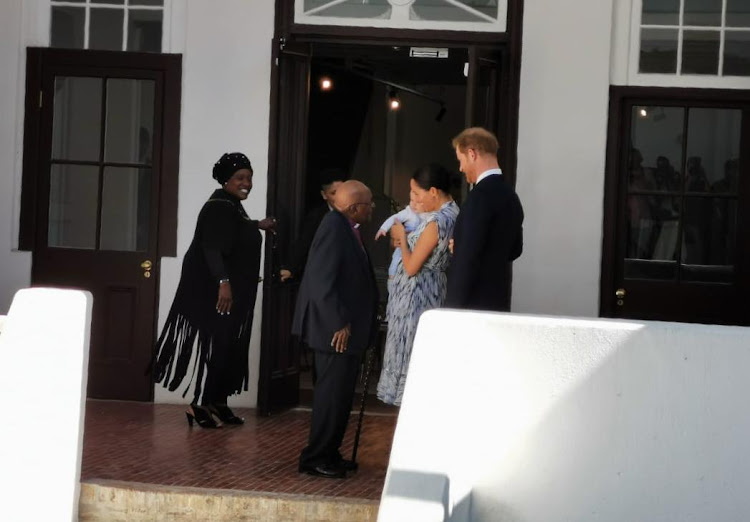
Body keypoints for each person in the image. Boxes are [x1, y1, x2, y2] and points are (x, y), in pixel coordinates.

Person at [152, 152, 276, 428]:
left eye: (249, 177)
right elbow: (212, 247)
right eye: (240, 177)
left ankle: (217, 402)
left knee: (227, 347)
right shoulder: (219, 206)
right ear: (226, 181)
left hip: (231, 292)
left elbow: (235, 229)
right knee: (218, 347)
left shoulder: (231, 206)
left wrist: (258, 225)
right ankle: (199, 404)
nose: (247, 182)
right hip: (217, 294)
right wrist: (224, 283)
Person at [293, 180, 379, 479]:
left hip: (345, 331)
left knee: (340, 398)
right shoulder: (334, 227)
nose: (373, 208)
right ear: (355, 208)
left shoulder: (346, 227)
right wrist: (338, 322)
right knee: (331, 398)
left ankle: (329, 452)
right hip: (335, 334)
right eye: (369, 203)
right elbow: (320, 281)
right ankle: (315, 457)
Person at [377, 164, 459, 406]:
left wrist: (401, 238)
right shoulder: (452, 213)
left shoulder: (438, 221)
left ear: (433, 191)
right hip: (424, 290)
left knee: (410, 355)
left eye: (417, 193)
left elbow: (412, 267)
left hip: (417, 296)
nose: (414, 199)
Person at [444, 127, 524, 312]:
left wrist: (452, 309)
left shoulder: (479, 197)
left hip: (471, 305)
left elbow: (468, 259)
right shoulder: (511, 196)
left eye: (460, 160)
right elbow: (515, 250)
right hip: (498, 300)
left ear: (472, 154)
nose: (461, 168)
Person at [279, 168, 348, 282]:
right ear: (324, 195)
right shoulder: (316, 217)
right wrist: (291, 268)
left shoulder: (354, 213)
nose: (339, 197)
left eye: (342, 192)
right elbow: (304, 243)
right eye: (333, 193)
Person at [374, 192, 424, 291]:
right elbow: (394, 218)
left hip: (416, 249)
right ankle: (391, 279)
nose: (413, 204)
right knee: (397, 259)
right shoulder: (408, 212)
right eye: (411, 200)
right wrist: (383, 229)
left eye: (417, 202)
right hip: (403, 244)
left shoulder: (427, 215)